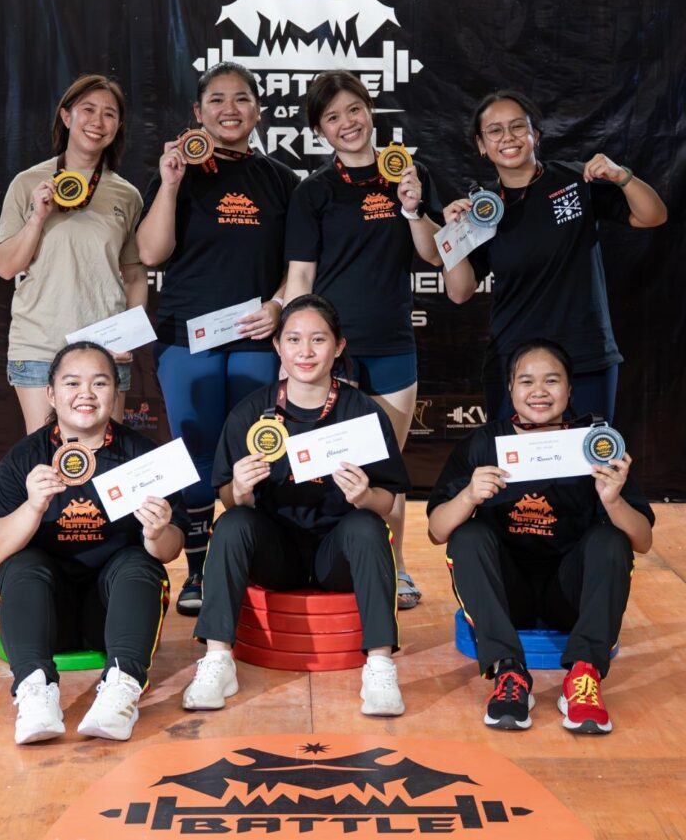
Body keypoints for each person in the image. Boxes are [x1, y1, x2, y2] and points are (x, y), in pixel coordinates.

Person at [181, 294, 410, 717]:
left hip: (337, 554)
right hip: (277, 553)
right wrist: (241, 490)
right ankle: (217, 660)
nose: (305, 351)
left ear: (338, 347)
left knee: (368, 525)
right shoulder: (252, 412)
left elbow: (386, 499)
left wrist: (364, 496)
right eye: (294, 339)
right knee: (232, 524)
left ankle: (379, 665)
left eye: (318, 340)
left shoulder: (363, 413)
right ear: (277, 346)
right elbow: (228, 499)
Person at [426, 339, 654, 734]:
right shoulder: (483, 444)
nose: (539, 391)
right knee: (467, 535)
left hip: (570, 595)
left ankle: (584, 676)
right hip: (507, 595)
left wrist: (613, 500)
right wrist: (468, 496)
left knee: (611, 539)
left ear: (569, 388)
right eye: (526, 381)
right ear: (510, 388)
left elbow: (643, 541)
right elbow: (437, 531)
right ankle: (509, 672)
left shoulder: (595, 444)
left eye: (552, 380)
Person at [136, 61, 298, 616]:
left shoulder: (282, 180)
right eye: (217, 100)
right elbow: (151, 253)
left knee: (257, 449)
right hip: (187, 337)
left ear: (259, 110)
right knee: (196, 450)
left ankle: (258, 558)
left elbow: (300, 264)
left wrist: (278, 305)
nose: (230, 109)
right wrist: (171, 182)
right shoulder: (176, 173)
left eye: (242, 98)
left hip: (257, 338)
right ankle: (199, 568)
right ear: (197, 112)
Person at [0, 341, 189, 745]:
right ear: (51, 393)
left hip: (112, 617)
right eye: (72, 383)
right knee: (20, 564)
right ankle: (35, 692)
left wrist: (157, 532)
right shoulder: (26, 457)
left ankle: (121, 691)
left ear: (116, 391)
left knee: (139, 561)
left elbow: (171, 550)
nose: (86, 394)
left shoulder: (143, 457)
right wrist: (33, 507)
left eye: (99, 383)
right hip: (45, 616)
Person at [284, 70, 441, 609]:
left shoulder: (410, 174)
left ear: (370, 111)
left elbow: (434, 255)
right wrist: (294, 353)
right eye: (332, 117)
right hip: (332, 353)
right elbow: (300, 277)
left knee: (387, 468)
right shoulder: (313, 192)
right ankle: (335, 562)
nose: (346, 123)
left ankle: (396, 568)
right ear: (319, 131)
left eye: (354, 109)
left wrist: (413, 208)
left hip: (393, 344)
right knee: (333, 466)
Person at [441, 89, 667, 422]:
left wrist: (622, 176)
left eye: (518, 126)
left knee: (590, 454)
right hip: (514, 361)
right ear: (481, 144)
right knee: (515, 456)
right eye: (495, 130)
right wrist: (453, 234)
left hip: (586, 355)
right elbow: (459, 292)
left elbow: (654, 216)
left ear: (535, 134)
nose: (508, 137)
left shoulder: (576, 180)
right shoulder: (481, 211)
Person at [0, 75, 147, 433]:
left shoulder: (127, 195)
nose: (97, 122)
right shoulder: (28, 183)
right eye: (87, 110)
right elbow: (6, 267)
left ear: (118, 126)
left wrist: (128, 337)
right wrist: (37, 217)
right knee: (47, 457)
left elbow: (135, 275)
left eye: (109, 114)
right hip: (39, 345)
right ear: (66, 116)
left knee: (103, 457)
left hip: (105, 350)